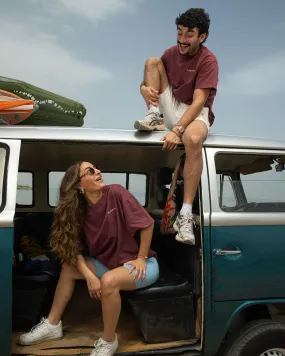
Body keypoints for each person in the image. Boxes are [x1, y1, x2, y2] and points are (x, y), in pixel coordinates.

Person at [18, 162, 159, 356]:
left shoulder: (116, 193)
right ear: (79, 185)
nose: (98, 172)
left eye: (97, 168)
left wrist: (142, 258)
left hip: (141, 265)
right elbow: (72, 249)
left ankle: (109, 341)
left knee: (109, 281)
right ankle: (52, 325)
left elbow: (147, 224)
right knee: (68, 267)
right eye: (90, 171)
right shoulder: (77, 210)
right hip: (110, 265)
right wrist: (90, 277)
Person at [134, 8, 219, 245]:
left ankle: (185, 216)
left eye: (189, 34)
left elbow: (200, 101)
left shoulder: (209, 60)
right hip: (169, 106)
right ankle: (154, 116)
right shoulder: (171, 53)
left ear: (201, 37)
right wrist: (142, 88)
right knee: (151, 61)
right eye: (180, 32)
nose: (182, 39)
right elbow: (152, 76)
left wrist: (178, 130)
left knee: (192, 140)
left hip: (194, 111)